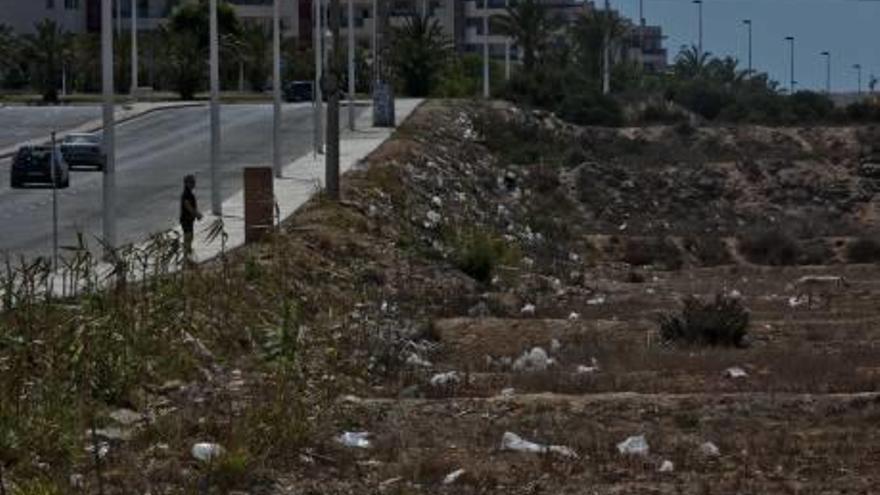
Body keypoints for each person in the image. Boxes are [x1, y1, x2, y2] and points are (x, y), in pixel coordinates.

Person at [180, 174, 203, 262]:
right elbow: (187, 205)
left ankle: (188, 255)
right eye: (192, 182)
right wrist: (197, 214)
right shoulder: (186, 194)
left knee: (190, 237)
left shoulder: (189, 193)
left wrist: (195, 215)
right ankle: (185, 257)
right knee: (188, 237)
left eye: (194, 182)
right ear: (186, 183)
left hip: (189, 219)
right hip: (185, 220)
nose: (194, 184)